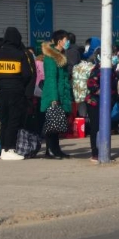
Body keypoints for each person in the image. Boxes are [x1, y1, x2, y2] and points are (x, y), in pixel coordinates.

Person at [0, 27, 34, 160]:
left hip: (2, 91)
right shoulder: (20, 54)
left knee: (4, 120)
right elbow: (27, 74)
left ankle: (3, 149)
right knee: (14, 120)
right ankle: (10, 149)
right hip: (16, 91)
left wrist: (1, 81)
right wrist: (17, 83)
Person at [40, 30, 73, 159]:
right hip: (54, 94)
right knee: (52, 124)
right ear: (59, 41)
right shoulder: (51, 57)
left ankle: (56, 149)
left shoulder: (60, 55)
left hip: (61, 93)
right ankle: (51, 150)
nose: (68, 42)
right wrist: (54, 98)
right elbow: (51, 78)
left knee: (56, 123)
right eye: (66, 40)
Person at [84, 48, 119, 163]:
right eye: (112, 54)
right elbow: (91, 84)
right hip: (95, 102)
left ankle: (102, 151)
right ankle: (95, 153)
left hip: (105, 102)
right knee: (95, 128)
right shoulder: (98, 69)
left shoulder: (112, 69)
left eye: (114, 54)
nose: (114, 56)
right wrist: (103, 93)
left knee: (104, 127)